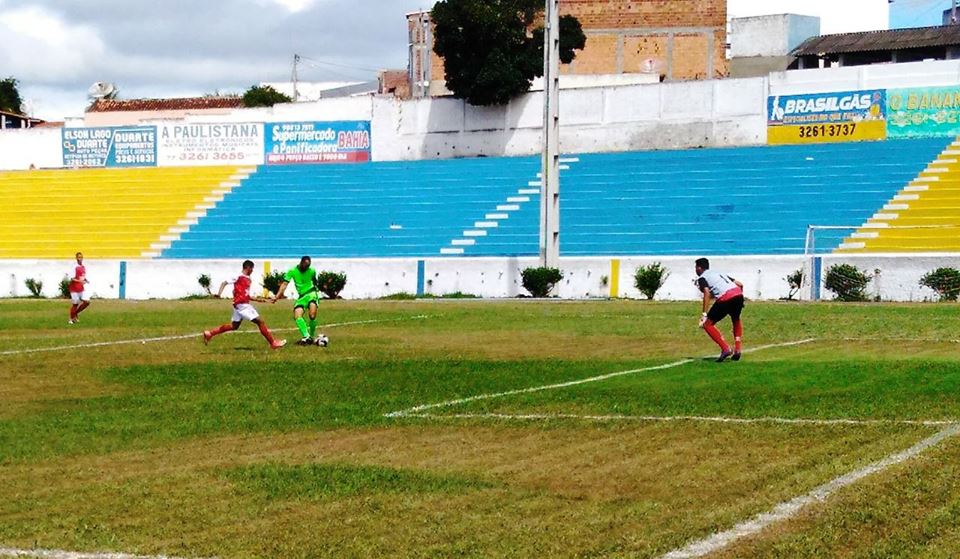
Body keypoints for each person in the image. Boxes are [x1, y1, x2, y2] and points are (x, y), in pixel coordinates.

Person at [203, 260, 286, 350]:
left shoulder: (248, 279)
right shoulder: (238, 276)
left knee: (234, 326)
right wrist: (219, 294)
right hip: (242, 305)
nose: (252, 271)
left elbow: (245, 295)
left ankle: (210, 333)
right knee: (260, 322)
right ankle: (273, 343)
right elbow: (224, 283)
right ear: (248, 267)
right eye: (252, 268)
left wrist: (258, 300)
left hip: (239, 305)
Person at [271, 256, 329, 346]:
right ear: (301, 262)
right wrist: (277, 296)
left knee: (312, 315)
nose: (306, 268)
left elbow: (315, 281)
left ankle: (311, 336)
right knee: (297, 315)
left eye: (308, 266)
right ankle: (307, 336)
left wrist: (320, 288)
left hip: (312, 294)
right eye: (305, 265)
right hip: (302, 297)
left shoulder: (312, 271)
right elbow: (284, 284)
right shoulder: (292, 271)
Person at [695, 258, 744, 362]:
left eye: (696, 267)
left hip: (726, 297)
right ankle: (738, 348)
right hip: (738, 294)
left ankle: (725, 348)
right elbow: (740, 284)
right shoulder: (718, 272)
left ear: (699, 268)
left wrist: (704, 314)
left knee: (707, 325)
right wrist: (740, 299)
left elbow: (707, 292)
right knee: (736, 319)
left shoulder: (702, 278)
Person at [68, 252, 91, 324]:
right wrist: (80, 281)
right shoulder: (74, 267)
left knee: (87, 302)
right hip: (74, 288)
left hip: (81, 287)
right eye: (78, 257)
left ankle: (75, 313)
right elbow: (72, 279)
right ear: (76, 258)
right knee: (75, 304)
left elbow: (82, 276)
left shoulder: (83, 267)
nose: (80, 259)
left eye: (81, 257)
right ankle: (71, 319)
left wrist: (86, 280)